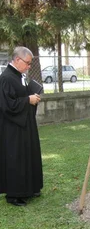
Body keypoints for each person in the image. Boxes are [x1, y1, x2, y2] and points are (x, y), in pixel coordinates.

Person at [0, 46, 43, 206]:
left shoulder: (18, 75)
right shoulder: (6, 78)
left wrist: (32, 97)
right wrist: (27, 100)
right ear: (17, 60)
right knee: (16, 159)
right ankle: (14, 195)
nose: (29, 66)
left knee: (27, 155)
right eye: (27, 63)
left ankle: (30, 188)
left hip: (24, 125)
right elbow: (7, 105)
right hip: (13, 129)